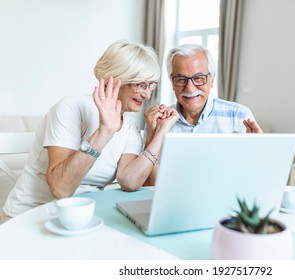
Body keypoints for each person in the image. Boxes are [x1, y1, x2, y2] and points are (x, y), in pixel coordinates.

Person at [0, 40, 178, 223]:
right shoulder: (70, 108)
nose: (147, 95)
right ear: (116, 79)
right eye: (140, 84)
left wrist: (161, 133)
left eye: (151, 85)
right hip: (28, 218)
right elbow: (61, 189)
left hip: (83, 219)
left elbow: (130, 182)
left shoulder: (130, 128)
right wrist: (105, 131)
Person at [143, 44, 262, 184]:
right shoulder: (159, 122)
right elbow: (149, 185)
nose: (190, 88)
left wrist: (257, 153)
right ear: (172, 83)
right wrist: (152, 135)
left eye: (199, 78)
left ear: (211, 80)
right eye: (181, 79)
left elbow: (254, 179)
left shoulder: (239, 116)